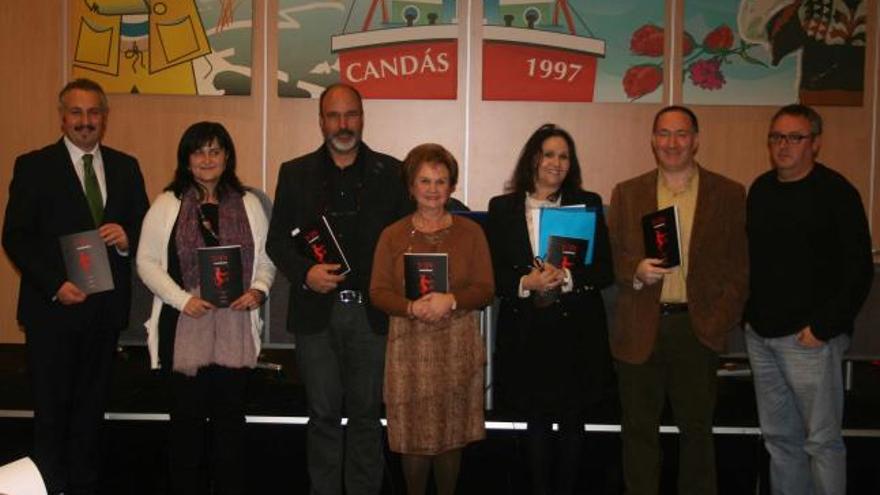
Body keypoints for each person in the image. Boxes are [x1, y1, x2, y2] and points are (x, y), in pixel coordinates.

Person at [2, 78, 149, 495]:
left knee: (91, 415)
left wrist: (127, 239)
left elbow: (144, 228)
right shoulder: (32, 165)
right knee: (50, 416)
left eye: (93, 112)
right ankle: (47, 488)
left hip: (103, 315)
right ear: (62, 116)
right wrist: (55, 285)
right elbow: (16, 236)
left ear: (104, 117)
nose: (85, 121)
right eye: (76, 112)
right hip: (53, 311)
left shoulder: (126, 166)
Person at [266, 83, 410, 495]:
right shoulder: (294, 174)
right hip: (316, 314)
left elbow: (404, 242)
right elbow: (277, 242)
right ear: (321, 121)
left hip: (371, 315)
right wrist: (305, 272)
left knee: (367, 416)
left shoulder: (392, 173)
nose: (343, 124)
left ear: (362, 118)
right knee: (322, 415)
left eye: (351, 115)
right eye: (334, 115)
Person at [607, 106, 748, 495]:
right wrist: (634, 269)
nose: (672, 143)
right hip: (641, 328)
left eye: (681, 134)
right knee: (638, 433)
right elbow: (611, 255)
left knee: (697, 434)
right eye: (664, 134)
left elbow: (739, 269)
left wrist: (716, 322)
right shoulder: (628, 192)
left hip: (697, 328)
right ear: (652, 140)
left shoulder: (729, 193)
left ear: (696, 140)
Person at [136, 122, 276, 494]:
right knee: (186, 426)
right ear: (186, 159)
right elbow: (146, 262)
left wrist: (259, 290)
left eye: (215, 151)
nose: (207, 159)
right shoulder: (167, 203)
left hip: (235, 328)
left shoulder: (248, 203)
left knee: (231, 425)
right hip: (184, 327)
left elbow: (267, 258)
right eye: (199, 152)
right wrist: (183, 299)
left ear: (228, 156)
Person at [744, 104, 872, 495]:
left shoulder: (837, 192)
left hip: (810, 341)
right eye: (777, 137)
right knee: (780, 441)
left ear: (815, 144)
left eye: (795, 138)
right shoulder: (761, 189)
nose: (784, 146)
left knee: (821, 442)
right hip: (762, 338)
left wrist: (823, 329)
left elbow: (859, 271)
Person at [487, 124, 614, 495]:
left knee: (575, 423)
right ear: (533, 158)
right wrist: (526, 283)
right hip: (527, 332)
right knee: (535, 423)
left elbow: (605, 269)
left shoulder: (588, 204)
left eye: (564, 156)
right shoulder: (502, 208)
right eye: (549, 154)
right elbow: (491, 272)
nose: (556, 163)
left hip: (576, 332)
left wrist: (568, 278)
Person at [370, 143, 494, 495]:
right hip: (408, 346)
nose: (433, 189)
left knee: (452, 432)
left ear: (452, 186)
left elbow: (486, 288)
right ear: (411, 186)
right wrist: (410, 307)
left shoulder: (471, 233)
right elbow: (378, 292)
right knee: (413, 434)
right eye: (425, 181)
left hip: (457, 344)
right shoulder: (392, 235)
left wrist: (451, 300)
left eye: (441, 181)